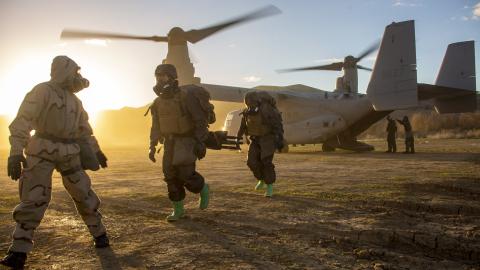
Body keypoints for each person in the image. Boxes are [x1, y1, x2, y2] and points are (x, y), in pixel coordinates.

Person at [1, 56, 109, 269]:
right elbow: (22, 121)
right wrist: (15, 153)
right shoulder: (42, 91)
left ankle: (100, 234)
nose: (78, 77)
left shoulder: (75, 101)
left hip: (69, 151)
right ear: (66, 71)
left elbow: (84, 130)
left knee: (83, 192)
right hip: (41, 149)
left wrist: (97, 151)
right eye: (75, 72)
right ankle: (19, 251)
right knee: (34, 197)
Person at [148, 64, 210, 222]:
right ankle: (178, 210)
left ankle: (202, 188)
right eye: (157, 76)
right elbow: (156, 125)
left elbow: (199, 120)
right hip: (169, 142)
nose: (159, 79)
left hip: (187, 140)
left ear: (171, 77)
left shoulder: (185, 96)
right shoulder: (157, 102)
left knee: (186, 174)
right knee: (170, 175)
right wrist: (152, 145)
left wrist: (200, 141)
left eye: (163, 76)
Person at [237, 91, 284, 197]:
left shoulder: (267, 111)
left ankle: (269, 186)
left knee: (266, 162)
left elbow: (277, 125)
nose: (249, 104)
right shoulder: (247, 112)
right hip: (254, 140)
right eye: (247, 103)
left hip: (267, 139)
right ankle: (261, 179)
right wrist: (238, 138)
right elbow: (243, 126)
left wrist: (280, 139)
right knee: (251, 162)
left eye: (250, 102)